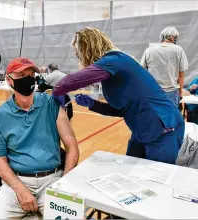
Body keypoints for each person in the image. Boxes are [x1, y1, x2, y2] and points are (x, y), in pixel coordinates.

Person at [53, 27, 185, 164]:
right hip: (142, 130)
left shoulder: (115, 60)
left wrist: (56, 91)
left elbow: (70, 82)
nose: (79, 58)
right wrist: (93, 104)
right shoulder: (113, 69)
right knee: (129, 168)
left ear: (87, 49)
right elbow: (121, 109)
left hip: (163, 128)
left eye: (78, 54)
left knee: (156, 177)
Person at [0, 57, 79, 219]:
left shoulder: (51, 104)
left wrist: (63, 184)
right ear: (9, 80)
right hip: (16, 184)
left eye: (31, 74)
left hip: (53, 181)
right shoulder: (1, 115)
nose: (28, 79)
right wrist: (20, 190)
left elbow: (72, 145)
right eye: (21, 75)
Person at [140, 26, 188, 107]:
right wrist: (180, 93)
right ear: (172, 37)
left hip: (152, 91)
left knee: (154, 116)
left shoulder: (149, 50)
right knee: (170, 117)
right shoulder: (178, 50)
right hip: (171, 92)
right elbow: (181, 74)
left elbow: (141, 71)